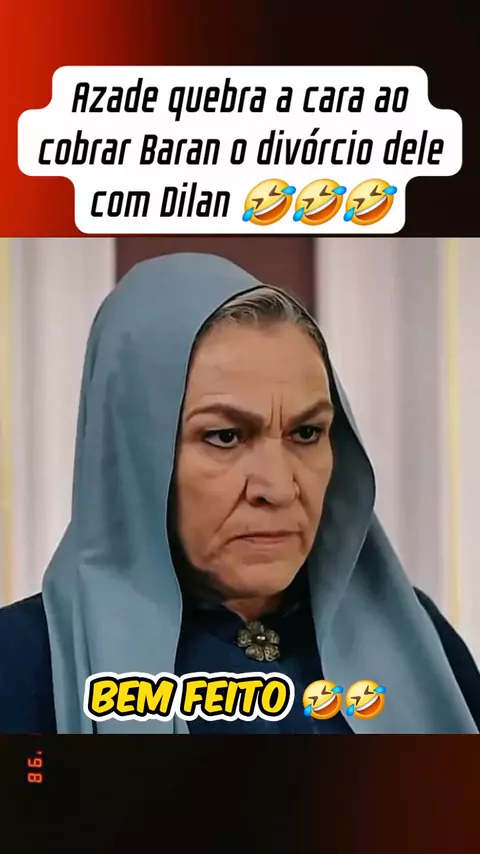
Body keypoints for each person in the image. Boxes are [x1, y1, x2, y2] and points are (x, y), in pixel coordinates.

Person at [0, 252, 479, 734]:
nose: (278, 488)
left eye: (307, 433)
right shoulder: (24, 664)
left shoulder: (418, 641)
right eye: (225, 436)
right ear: (133, 454)